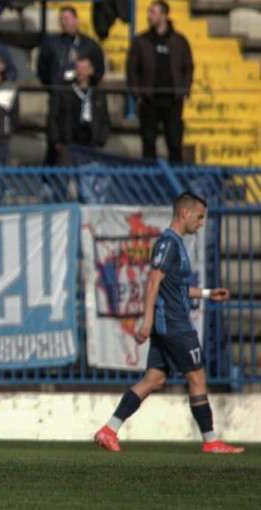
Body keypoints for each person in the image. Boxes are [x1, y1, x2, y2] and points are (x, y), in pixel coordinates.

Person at [94, 192, 244, 455]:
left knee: (154, 380)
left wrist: (208, 293)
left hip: (170, 322)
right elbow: (153, 281)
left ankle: (109, 430)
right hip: (174, 324)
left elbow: (176, 288)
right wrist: (147, 320)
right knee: (197, 377)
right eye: (199, 217)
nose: (201, 223)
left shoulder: (177, 244)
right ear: (185, 213)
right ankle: (211, 441)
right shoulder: (169, 243)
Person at [127, 1, 193, 163]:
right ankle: (149, 178)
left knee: (175, 143)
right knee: (148, 144)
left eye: (153, 12)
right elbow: (132, 69)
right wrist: (138, 94)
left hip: (172, 100)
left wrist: (184, 91)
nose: (149, 16)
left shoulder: (179, 41)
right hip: (149, 100)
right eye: (149, 12)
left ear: (164, 15)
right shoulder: (141, 41)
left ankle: (176, 176)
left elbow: (188, 66)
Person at [38, 6, 104, 165]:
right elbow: (42, 69)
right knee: (55, 141)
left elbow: (99, 70)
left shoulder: (89, 45)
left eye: (67, 18)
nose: (64, 22)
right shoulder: (52, 44)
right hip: (59, 96)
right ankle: (49, 176)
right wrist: (53, 87)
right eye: (62, 19)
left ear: (76, 20)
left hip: (81, 98)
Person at [47, 55, 110, 161]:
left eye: (84, 68)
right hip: (69, 141)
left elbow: (105, 119)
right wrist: (56, 140)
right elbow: (53, 116)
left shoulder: (97, 93)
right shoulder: (65, 91)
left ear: (91, 70)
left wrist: (101, 141)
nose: (80, 72)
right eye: (78, 68)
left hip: (91, 142)